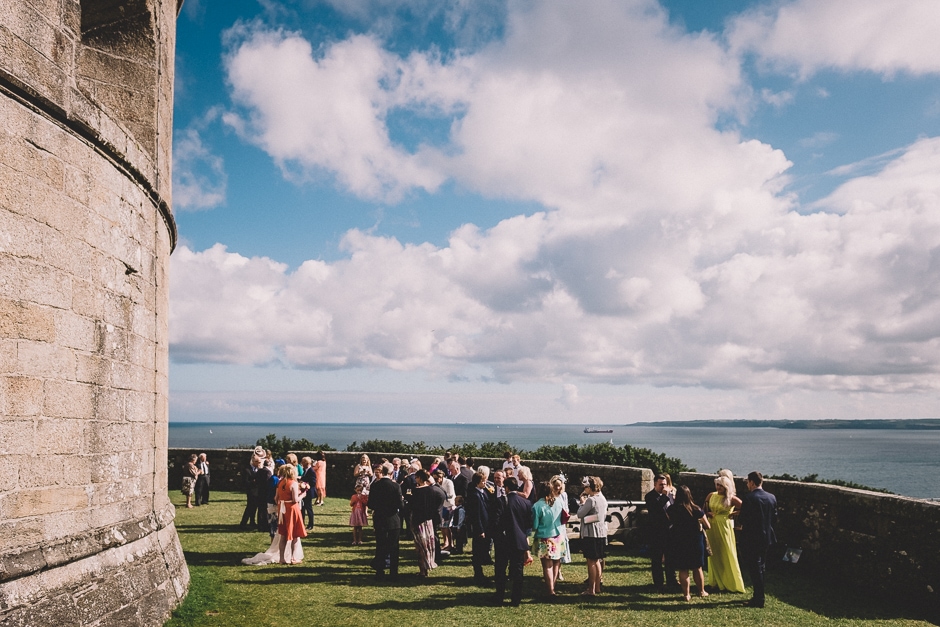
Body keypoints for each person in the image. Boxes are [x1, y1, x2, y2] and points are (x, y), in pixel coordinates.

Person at [492, 477, 534, 606]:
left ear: (507, 488)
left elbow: (496, 522)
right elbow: (529, 523)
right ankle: (516, 599)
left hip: (504, 540)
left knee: (500, 569)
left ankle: (499, 596)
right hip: (519, 539)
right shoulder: (526, 503)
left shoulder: (501, 501)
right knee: (517, 570)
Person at [739, 471, 777, 608]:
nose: (747, 485)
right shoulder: (772, 497)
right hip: (766, 537)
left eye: (748, 482)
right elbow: (774, 518)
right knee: (761, 566)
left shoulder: (749, 498)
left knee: (755, 568)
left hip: (752, 538)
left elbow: (742, 519)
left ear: (752, 482)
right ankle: (759, 595)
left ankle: (758, 598)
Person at [668, 485, 710, 601]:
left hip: (679, 540)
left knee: (683, 569)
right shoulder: (696, 509)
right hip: (695, 541)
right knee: (697, 568)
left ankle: (686, 595)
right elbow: (708, 525)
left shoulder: (671, 509)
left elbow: (671, 522)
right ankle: (701, 591)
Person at [704, 475, 745, 593]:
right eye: (717, 485)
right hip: (712, 526)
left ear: (726, 486)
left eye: (721, 485)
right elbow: (703, 509)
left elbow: (745, 507)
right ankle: (715, 581)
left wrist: (734, 513)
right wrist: (708, 513)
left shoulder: (731, 498)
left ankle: (730, 582)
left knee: (726, 552)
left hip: (724, 526)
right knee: (713, 553)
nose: (718, 487)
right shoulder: (711, 495)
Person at [531, 480, 567, 598]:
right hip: (558, 535)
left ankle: (550, 590)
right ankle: (553, 586)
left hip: (545, 537)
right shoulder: (558, 502)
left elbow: (535, 525)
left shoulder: (537, 506)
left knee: (547, 565)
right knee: (556, 563)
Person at [368, 464, 403, 579]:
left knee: (380, 545)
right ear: (391, 473)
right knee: (394, 547)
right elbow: (400, 504)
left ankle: (379, 571)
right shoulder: (395, 486)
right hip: (393, 519)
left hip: (379, 518)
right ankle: (394, 572)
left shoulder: (375, 486)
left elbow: (370, 504)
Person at [645, 473, 678, 590]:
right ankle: (658, 582)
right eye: (660, 485)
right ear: (655, 484)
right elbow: (656, 511)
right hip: (657, 532)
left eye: (664, 484)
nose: (663, 487)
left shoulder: (670, 495)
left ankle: (672, 580)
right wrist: (664, 496)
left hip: (670, 530)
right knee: (657, 558)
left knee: (670, 557)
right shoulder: (650, 496)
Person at [409, 469, 445, 576]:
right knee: (428, 545)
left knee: (420, 546)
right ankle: (428, 565)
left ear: (420, 478)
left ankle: (422, 570)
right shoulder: (432, 490)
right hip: (428, 521)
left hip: (418, 521)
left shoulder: (415, 491)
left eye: (416, 477)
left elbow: (412, 506)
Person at [577, 476, 607, 596]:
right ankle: (597, 587)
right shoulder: (602, 498)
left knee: (591, 561)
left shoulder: (591, 500)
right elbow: (600, 517)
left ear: (590, 487)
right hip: (601, 533)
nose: (584, 489)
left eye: (585, 487)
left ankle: (591, 589)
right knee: (597, 560)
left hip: (591, 533)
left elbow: (580, 514)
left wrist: (582, 504)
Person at [465, 471, 494, 585]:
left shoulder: (483, 492)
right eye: (483, 481)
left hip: (486, 525)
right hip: (480, 527)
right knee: (477, 552)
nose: (485, 482)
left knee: (483, 550)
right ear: (477, 482)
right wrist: (480, 530)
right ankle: (478, 574)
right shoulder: (474, 495)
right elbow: (476, 515)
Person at [275, 464, 308, 564]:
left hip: (282, 509)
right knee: (295, 535)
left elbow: (276, 498)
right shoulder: (293, 483)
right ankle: (294, 558)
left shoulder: (280, 483)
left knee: (283, 535)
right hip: (292, 510)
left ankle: (281, 558)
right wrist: (303, 495)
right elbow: (295, 499)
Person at [433, 469, 456, 551]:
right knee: (442, 526)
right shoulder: (436, 484)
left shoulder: (448, 482)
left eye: (437, 478)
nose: (436, 480)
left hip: (449, 506)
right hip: (441, 506)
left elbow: (450, 494)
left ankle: (451, 544)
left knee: (447, 526)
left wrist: (441, 495)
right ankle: (445, 542)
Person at [240, 449, 264, 526]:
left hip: (258, 491)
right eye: (258, 462)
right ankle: (243, 523)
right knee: (249, 508)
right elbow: (244, 482)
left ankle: (252, 522)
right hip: (251, 492)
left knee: (254, 508)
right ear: (254, 462)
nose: (259, 464)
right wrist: (253, 482)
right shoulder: (247, 470)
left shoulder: (259, 470)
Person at [300, 457, 316, 530]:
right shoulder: (305, 470)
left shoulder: (311, 471)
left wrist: (305, 484)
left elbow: (313, 482)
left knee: (308, 508)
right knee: (303, 508)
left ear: (307, 463)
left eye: (303, 462)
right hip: (304, 492)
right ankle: (302, 522)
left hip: (308, 492)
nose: (302, 464)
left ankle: (310, 524)